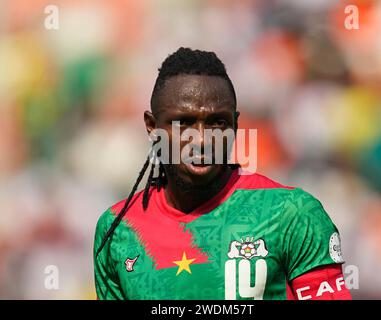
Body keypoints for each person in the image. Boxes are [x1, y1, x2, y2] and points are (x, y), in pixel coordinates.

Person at [93, 47, 352, 300]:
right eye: (183, 123)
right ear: (152, 127)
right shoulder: (118, 229)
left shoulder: (291, 215)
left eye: (218, 122)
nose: (203, 140)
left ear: (236, 126)